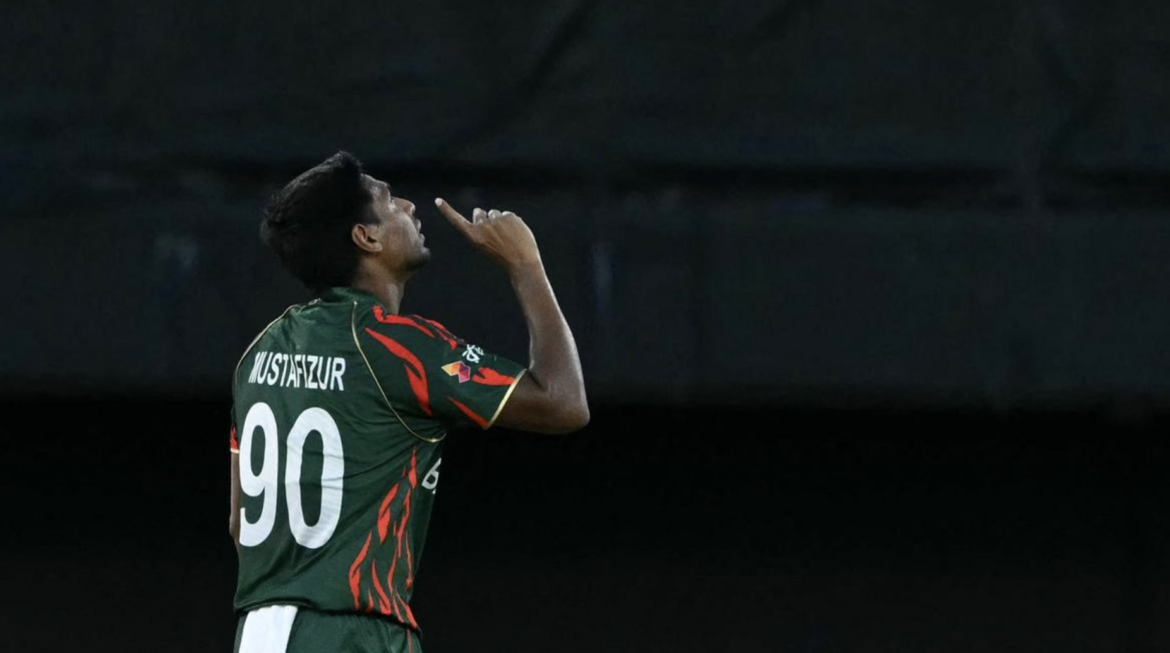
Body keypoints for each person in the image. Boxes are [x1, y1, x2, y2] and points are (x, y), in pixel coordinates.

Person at [228, 151, 588, 653]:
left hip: (263, 630)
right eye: (387, 199)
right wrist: (525, 265)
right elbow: (563, 401)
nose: (409, 205)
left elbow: (239, 517)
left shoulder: (261, 350)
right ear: (366, 237)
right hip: (348, 631)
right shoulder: (398, 347)